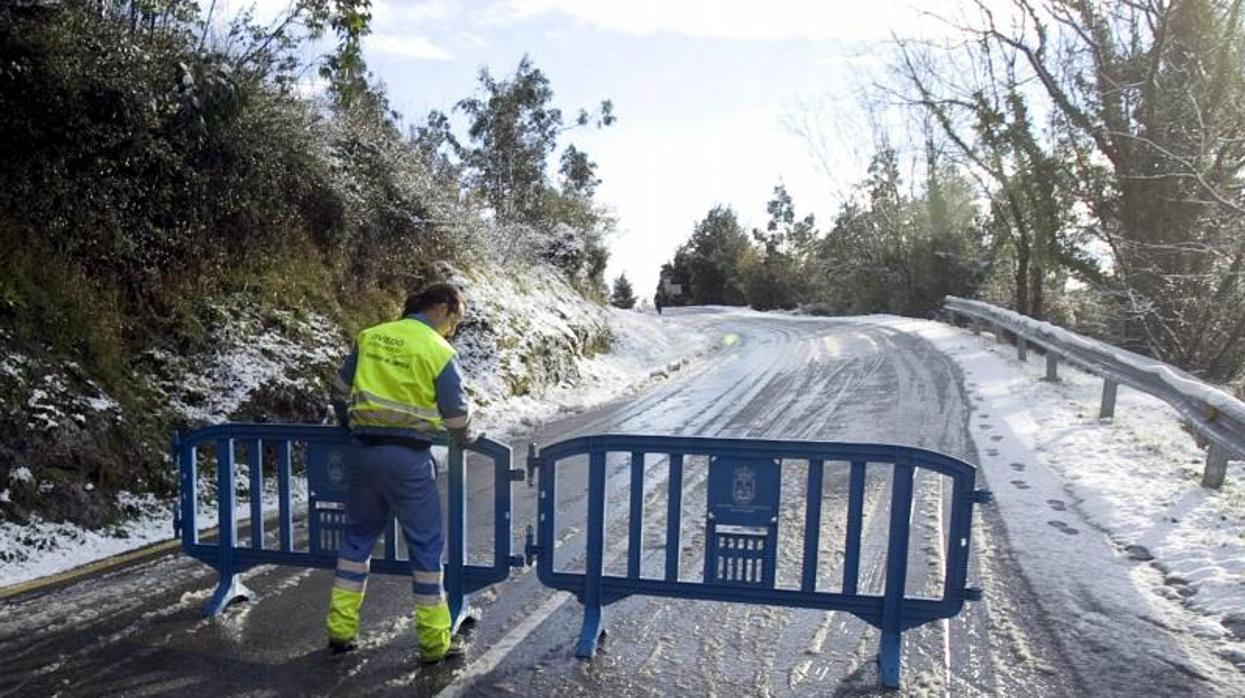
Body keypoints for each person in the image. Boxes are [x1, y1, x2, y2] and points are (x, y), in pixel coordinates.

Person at [325, 282, 475, 663]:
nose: (454, 328)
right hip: (408, 458)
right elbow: (455, 415)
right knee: (425, 548)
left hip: (363, 452)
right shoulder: (439, 350)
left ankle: (340, 631)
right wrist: (464, 436)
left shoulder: (370, 336)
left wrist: (348, 424)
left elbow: (339, 391)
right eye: (456, 318)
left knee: (357, 539)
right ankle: (434, 642)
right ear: (443, 307)